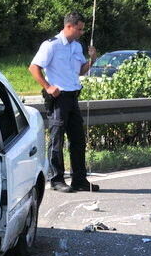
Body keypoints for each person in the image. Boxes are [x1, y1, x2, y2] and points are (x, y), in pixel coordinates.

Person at [28, 12, 99, 192]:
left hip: (73, 96)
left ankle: (79, 180)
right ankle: (56, 180)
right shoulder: (51, 45)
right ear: (69, 26)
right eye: (79, 29)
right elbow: (33, 67)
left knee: (78, 140)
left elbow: (81, 71)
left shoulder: (76, 46)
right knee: (57, 140)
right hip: (59, 98)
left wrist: (91, 60)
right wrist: (48, 86)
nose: (82, 32)